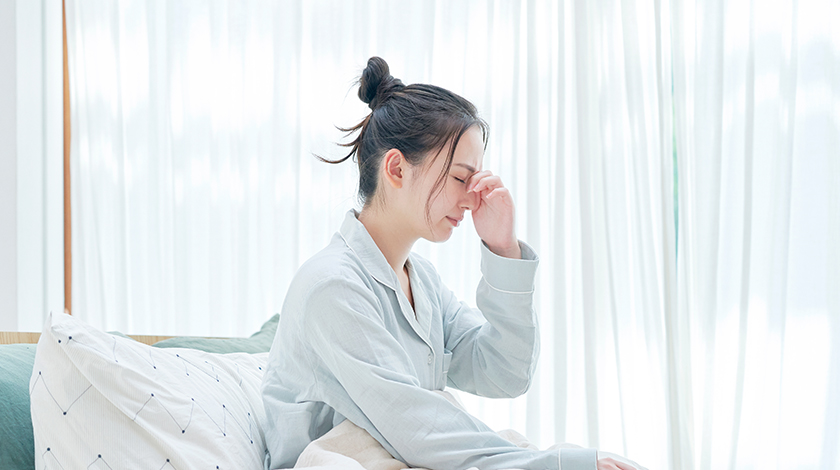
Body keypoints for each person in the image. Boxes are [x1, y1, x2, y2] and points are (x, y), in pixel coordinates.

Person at [261, 57, 637, 470]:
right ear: (397, 168)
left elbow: (505, 372)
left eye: (475, 181)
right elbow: (417, 427)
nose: (472, 198)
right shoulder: (332, 286)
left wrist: (503, 249)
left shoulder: (421, 281)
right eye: (461, 178)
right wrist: (557, 465)